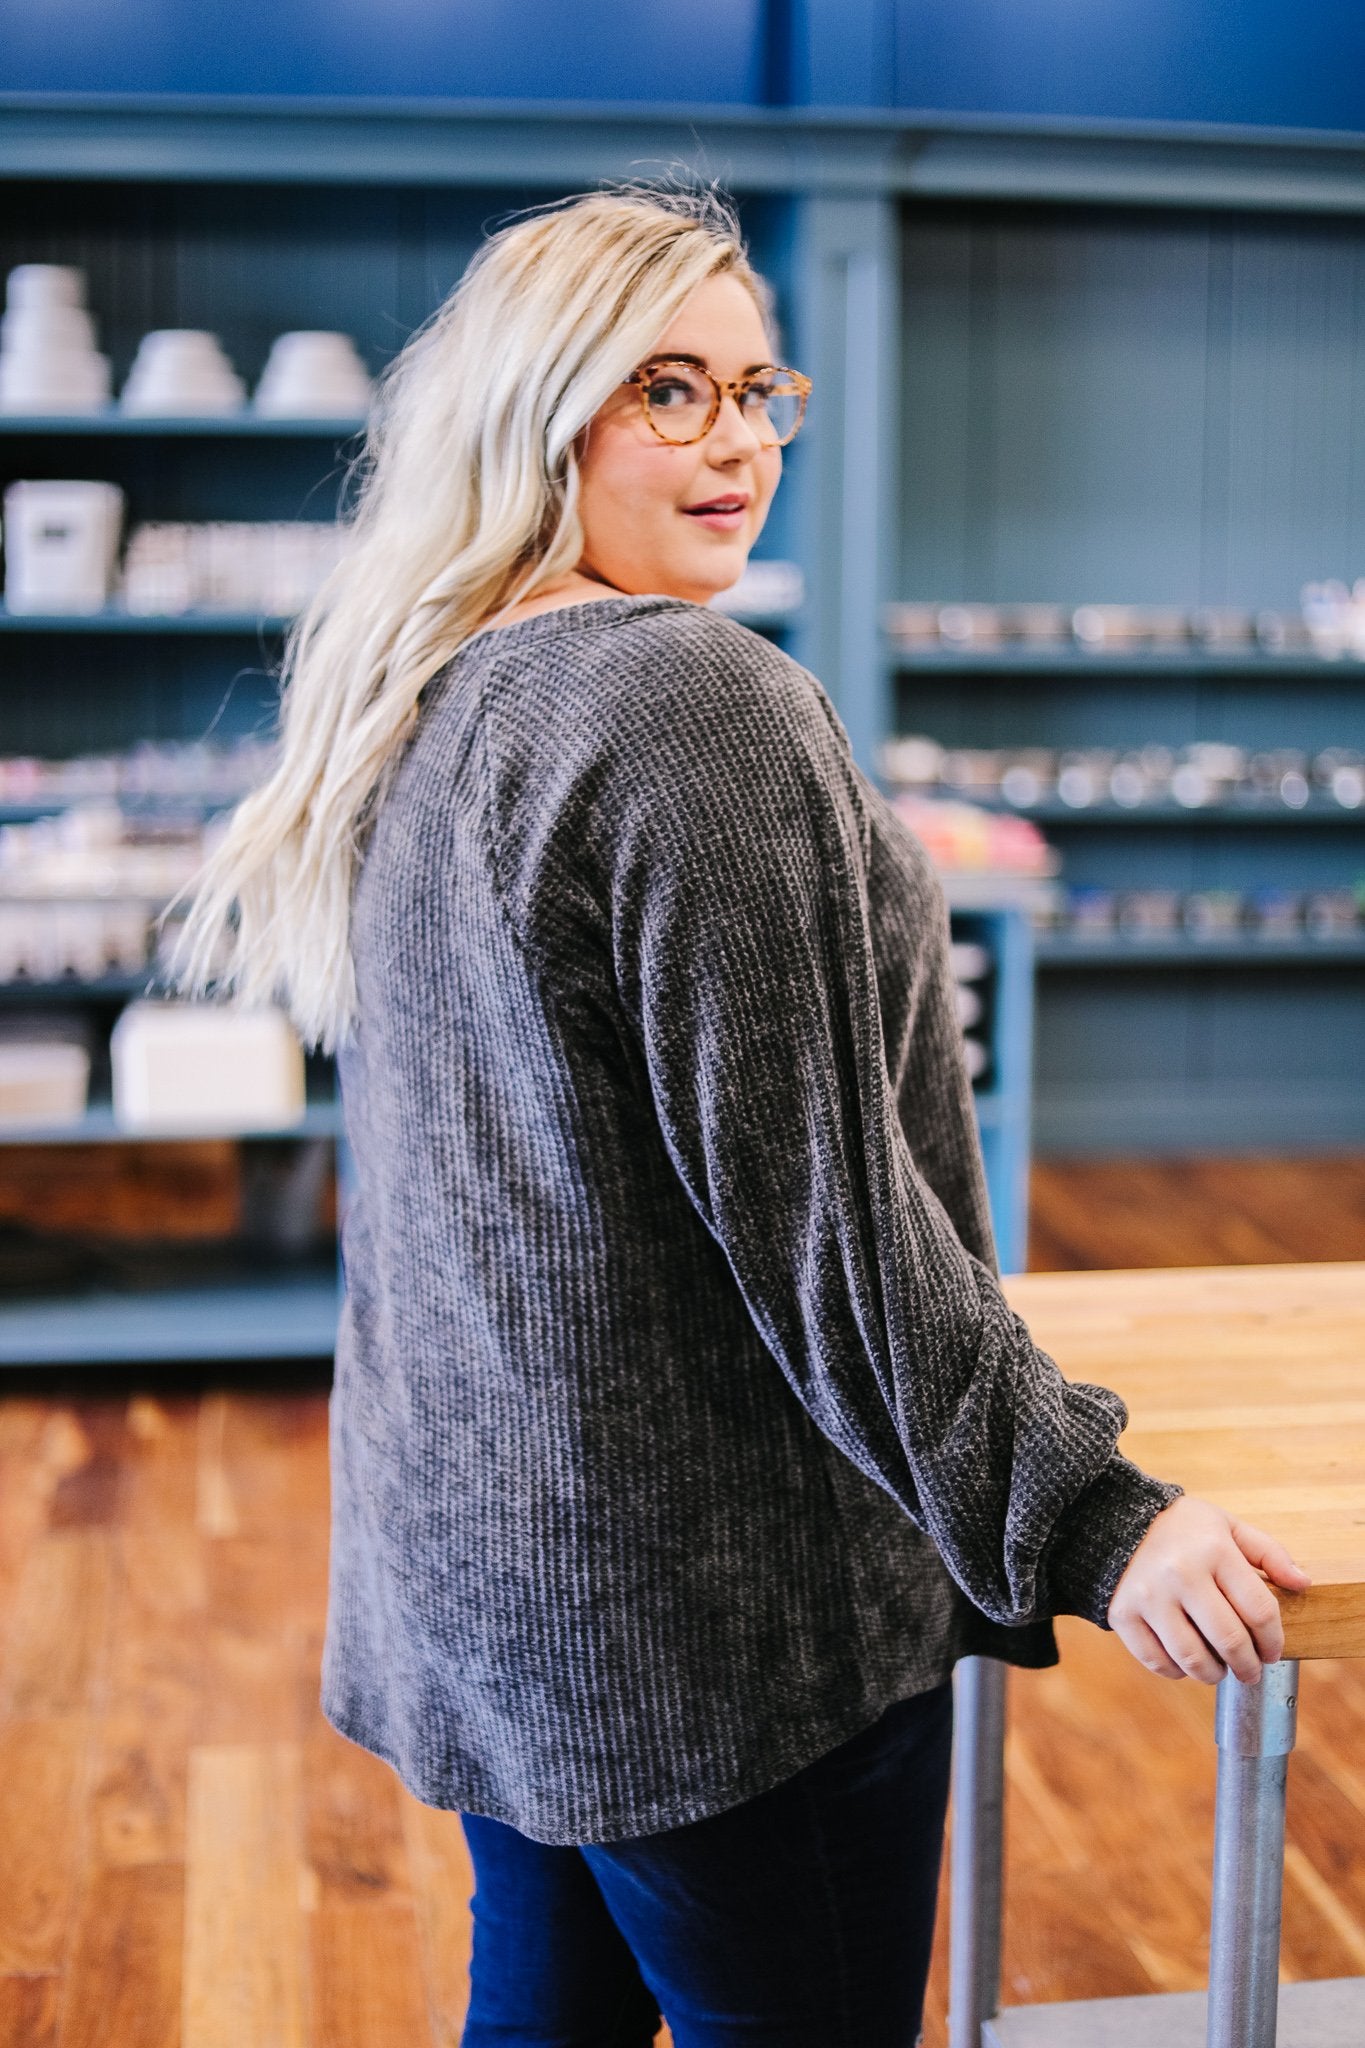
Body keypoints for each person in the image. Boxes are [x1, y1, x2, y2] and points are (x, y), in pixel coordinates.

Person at [169, 183, 1311, 2047]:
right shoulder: (685, 702)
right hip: (721, 1633)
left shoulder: (427, 686)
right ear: (546, 411)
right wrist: (1098, 1519)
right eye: (666, 392)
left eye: (754, 391)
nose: (734, 445)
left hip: (518, 1596)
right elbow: (829, 1233)